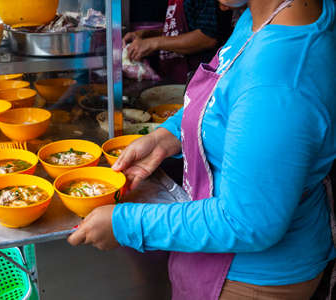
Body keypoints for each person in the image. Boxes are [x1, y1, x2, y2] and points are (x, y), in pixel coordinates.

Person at [68, 0, 336, 299]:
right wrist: (167, 137)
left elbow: (247, 221)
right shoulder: (258, 19)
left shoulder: (278, 78)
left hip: (252, 280)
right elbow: (223, 98)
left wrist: (125, 224)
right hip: (214, 254)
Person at [123, 0, 233, 83]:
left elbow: (208, 38)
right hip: (177, 76)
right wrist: (147, 35)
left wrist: (152, 43)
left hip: (200, 79)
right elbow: (184, 28)